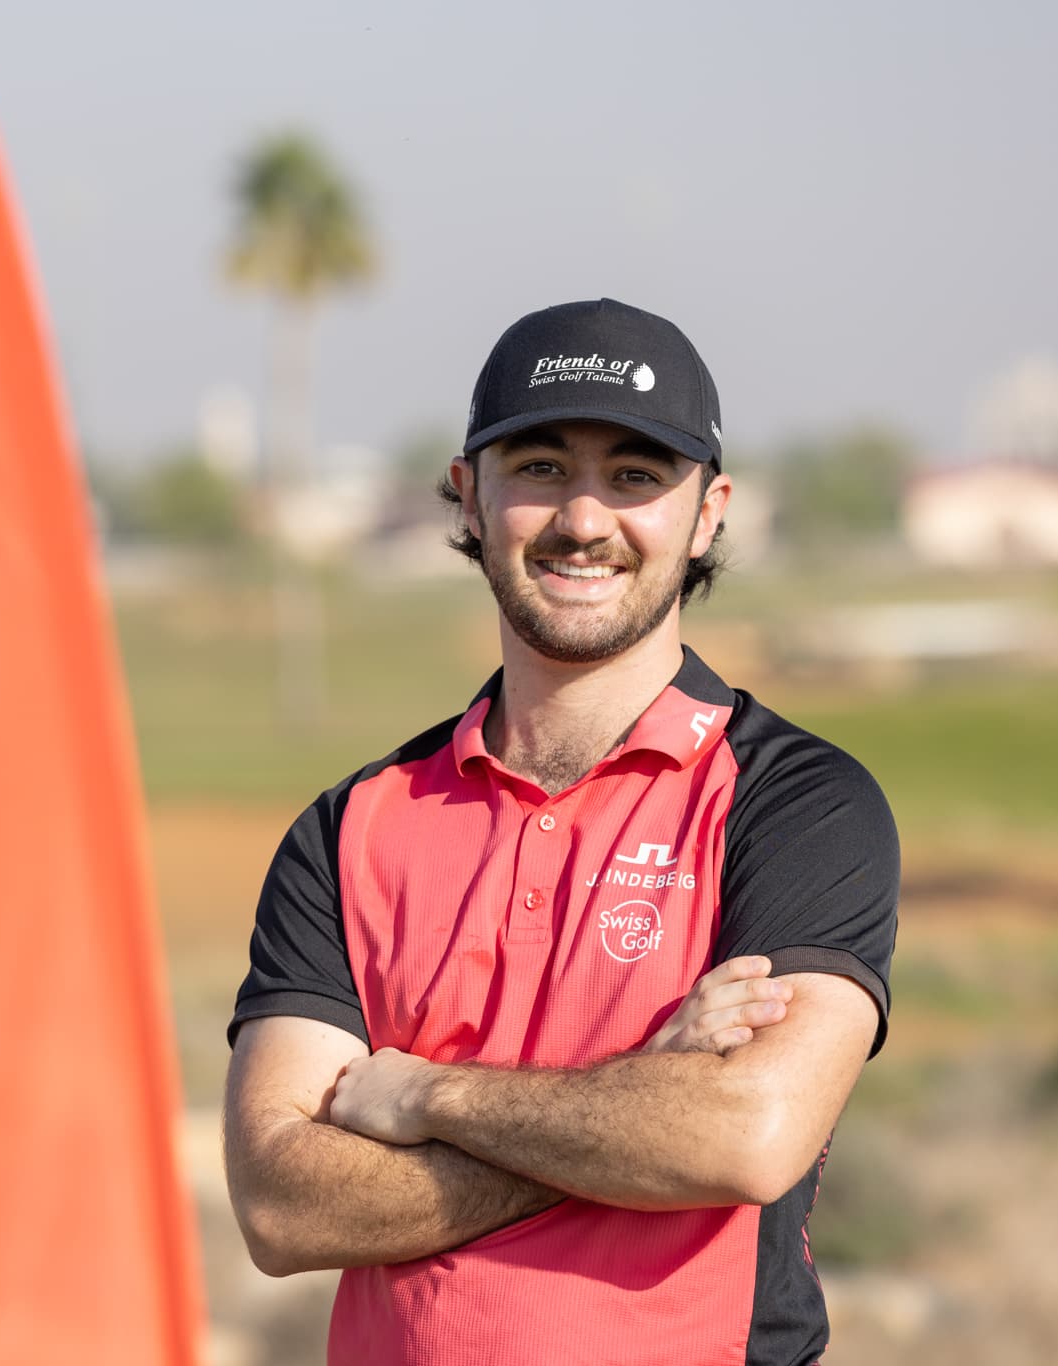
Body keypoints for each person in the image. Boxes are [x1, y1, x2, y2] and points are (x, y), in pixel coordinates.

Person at [222, 298, 899, 1366]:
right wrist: (638, 1097)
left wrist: (426, 1093)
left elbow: (745, 1134)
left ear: (708, 512)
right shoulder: (349, 828)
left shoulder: (795, 803)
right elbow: (281, 1207)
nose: (583, 520)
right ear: (468, 493)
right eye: (539, 468)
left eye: (634, 476)